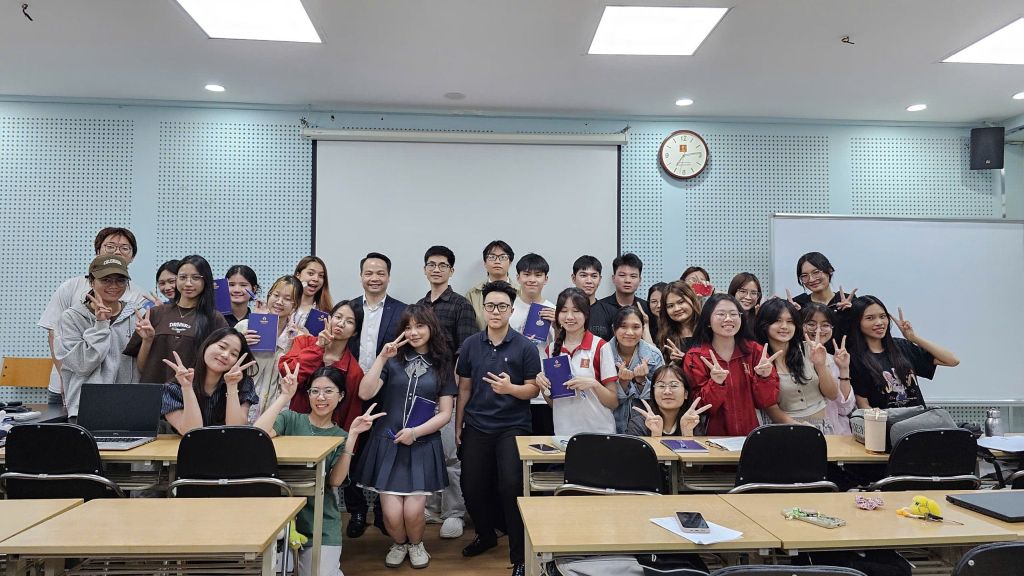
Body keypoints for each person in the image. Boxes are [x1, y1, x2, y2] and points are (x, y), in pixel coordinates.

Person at [254, 365, 384, 576]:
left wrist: (352, 436)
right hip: (279, 520)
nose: (320, 397)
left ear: (341, 396)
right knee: (275, 571)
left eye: (328, 391)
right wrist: (285, 396)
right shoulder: (290, 419)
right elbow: (257, 436)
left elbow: (335, 481)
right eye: (315, 391)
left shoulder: (340, 435)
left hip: (320, 521)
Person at [354, 305, 456, 569]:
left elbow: (446, 413)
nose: (414, 332)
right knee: (391, 514)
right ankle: (399, 543)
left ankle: (416, 544)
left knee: (412, 512)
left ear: (431, 328)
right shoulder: (393, 360)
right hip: (388, 442)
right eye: (408, 327)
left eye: (420, 326)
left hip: (422, 444)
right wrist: (381, 358)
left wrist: (415, 432)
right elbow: (365, 393)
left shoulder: (443, 364)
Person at [456, 281, 540, 576]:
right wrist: (459, 424)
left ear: (511, 310)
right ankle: (486, 534)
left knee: (511, 487)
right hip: (477, 424)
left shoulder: (525, 346)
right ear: (483, 308)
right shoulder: (470, 345)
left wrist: (510, 388)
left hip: (512, 426)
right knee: (471, 486)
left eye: (502, 306)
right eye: (490, 306)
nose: (495, 311)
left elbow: (532, 389)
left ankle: (519, 557)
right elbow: (464, 388)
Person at [39, 227, 144, 406]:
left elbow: (136, 356)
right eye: (110, 246)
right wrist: (65, 378)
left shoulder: (138, 299)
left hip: (120, 398)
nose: (117, 251)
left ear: (132, 256)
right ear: (97, 250)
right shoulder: (71, 289)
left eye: (124, 248)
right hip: (75, 389)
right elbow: (54, 334)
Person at [416, 245, 476, 539]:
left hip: (447, 390)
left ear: (451, 270)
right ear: (425, 269)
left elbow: (466, 351)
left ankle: (454, 512)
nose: (436, 269)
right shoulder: (419, 306)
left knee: (451, 455)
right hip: (421, 388)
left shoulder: (461, 305)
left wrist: (451, 389)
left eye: (442, 265)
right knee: (427, 451)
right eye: (431, 264)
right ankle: (431, 507)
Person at [347, 252, 407, 539]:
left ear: (389, 277)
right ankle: (356, 510)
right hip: (350, 391)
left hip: (388, 391)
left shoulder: (402, 311)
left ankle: (384, 513)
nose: (374, 278)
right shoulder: (347, 309)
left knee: (385, 451)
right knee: (351, 449)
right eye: (369, 273)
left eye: (380, 273)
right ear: (361, 276)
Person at [682, 294, 782, 436]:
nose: (728, 319)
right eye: (721, 314)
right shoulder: (695, 357)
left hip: (750, 435)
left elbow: (766, 402)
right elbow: (699, 406)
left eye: (734, 314)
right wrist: (716, 384)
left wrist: (764, 378)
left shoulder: (755, 351)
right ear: (708, 321)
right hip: (711, 438)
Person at [55, 255, 139, 417]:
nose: (114, 286)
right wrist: (100, 325)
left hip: (128, 405)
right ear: (91, 282)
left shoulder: (137, 314)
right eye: (106, 280)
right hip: (87, 405)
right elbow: (82, 365)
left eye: (120, 280)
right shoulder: (71, 318)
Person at [123, 254, 229, 383]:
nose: (188, 283)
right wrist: (147, 340)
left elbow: (220, 365)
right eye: (182, 277)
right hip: (153, 391)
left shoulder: (214, 319)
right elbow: (142, 368)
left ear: (205, 281)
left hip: (191, 392)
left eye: (195, 278)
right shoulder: (155, 313)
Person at [848, 296, 959, 409]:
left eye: (883, 316)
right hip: (887, 420)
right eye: (870, 318)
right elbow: (863, 404)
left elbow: (952, 360)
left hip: (919, 418)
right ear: (857, 322)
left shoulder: (901, 346)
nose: (879, 322)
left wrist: (913, 337)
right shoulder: (855, 358)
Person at [535, 288, 617, 436]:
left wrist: (594, 384)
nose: (569, 317)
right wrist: (543, 387)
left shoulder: (600, 346)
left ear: (586, 314)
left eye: (576, 311)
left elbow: (613, 402)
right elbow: (554, 403)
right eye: (564, 311)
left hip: (599, 433)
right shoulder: (551, 350)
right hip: (563, 433)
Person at [753, 298, 840, 431]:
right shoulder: (759, 359)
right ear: (764, 324)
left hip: (822, 426)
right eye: (777, 321)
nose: (784, 326)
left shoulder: (810, 348)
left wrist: (821, 365)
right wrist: (799, 428)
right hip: (785, 429)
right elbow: (769, 407)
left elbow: (832, 395)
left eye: (790, 321)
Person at [159, 327, 259, 434]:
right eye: (222, 347)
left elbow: (235, 430)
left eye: (234, 354)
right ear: (207, 345)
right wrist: (187, 388)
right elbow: (191, 432)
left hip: (227, 443)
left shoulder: (243, 384)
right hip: (184, 444)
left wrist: (232, 386)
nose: (225, 355)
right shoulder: (173, 389)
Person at [235, 275, 302, 423]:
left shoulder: (296, 338)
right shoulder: (245, 327)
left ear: (295, 306)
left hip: (276, 411)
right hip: (242, 405)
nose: (279, 302)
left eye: (287, 299)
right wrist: (239, 344)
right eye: (276, 295)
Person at [607, 306, 664, 433]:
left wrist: (641, 381)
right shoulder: (602, 353)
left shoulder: (654, 355)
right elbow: (601, 397)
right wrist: (622, 384)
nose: (630, 332)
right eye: (623, 326)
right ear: (614, 329)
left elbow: (661, 395)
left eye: (636, 327)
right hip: (608, 424)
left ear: (643, 329)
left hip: (645, 425)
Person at [801, 303, 855, 435]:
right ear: (801, 326)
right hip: (806, 432)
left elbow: (845, 408)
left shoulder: (835, 360)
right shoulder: (793, 359)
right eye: (811, 324)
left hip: (838, 434)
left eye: (825, 325)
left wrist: (844, 369)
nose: (818, 330)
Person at [626, 365, 709, 437]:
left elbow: (697, 451)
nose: (667, 391)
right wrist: (655, 435)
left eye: (674, 385)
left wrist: (687, 434)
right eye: (661, 386)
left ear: (686, 394)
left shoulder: (693, 421)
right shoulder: (639, 424)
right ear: (653, 393)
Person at [589, 253, 650, 342]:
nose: (627, 280)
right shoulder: (599, 308)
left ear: (640, 280)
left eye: (633, 276)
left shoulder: (647, 309)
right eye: (622, 275)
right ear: (613, 278)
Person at [465, 240, 517, 330]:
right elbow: (469, 327)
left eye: (503, 257)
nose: (497, 261)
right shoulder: (472, 294)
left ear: (510, 263)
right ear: (485, 263)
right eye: (492, 257)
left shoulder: (522, 291)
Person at [658, 281, 702, 366]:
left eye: (681, 302)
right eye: (670, 306)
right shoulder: (665, 335)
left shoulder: (707, 328)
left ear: (692, 299)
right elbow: (665, 369)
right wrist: (675, 362)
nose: (677, 309)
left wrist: (686, 358)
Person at [293, 256, 333, 329]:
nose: (316, 279)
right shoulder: (284, 305)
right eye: (311, 273)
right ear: (298, 275)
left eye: (321, 276)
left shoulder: (325, 312)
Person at [646, 281, 666, 346]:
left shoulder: (679, 326)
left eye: (663, 301)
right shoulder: (646, 326)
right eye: (654, 301)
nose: (659, 305)